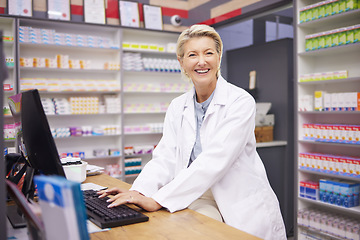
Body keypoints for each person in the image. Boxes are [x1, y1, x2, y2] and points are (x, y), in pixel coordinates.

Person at [98, 24, 286, 240]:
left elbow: (215, 159)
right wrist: (140, 192)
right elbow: (165, 157)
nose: (201, 61)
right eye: (192, 55)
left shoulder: (240, 101)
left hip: (239, 199)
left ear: (218, 58)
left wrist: (158, 200)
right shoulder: (178, 106)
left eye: (208, 53)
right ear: (182, 62)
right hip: (197, 194)